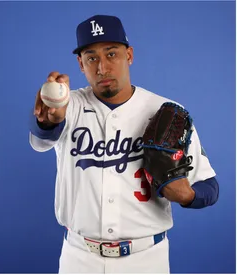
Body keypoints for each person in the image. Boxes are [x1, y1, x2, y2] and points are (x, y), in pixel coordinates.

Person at [29, 14, 219, 273]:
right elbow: (41, 140)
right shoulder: (68, 107)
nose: (102, 68)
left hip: (146, 258)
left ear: (129, 55)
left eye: (111, 54)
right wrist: (50, 120)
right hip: (78, 257)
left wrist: (188, 196)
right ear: (80, 64)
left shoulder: (165, 112)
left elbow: (210, 185)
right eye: (91, 57)